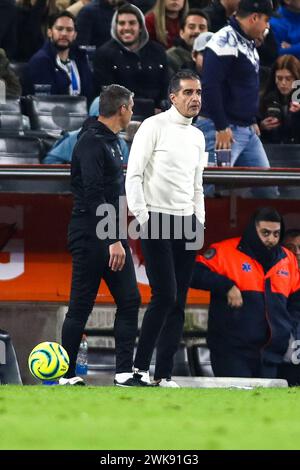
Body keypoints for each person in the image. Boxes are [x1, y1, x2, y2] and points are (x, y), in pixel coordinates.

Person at [125, 70, 206, 387]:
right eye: (188, 92)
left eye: (198, 92)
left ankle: (164, 374)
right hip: (155, 218)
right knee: (165, 296)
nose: (195, 98)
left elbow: (198, 183)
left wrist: (199, 220)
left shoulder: (198, 136)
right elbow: (133, 175)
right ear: (173, 97)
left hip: (187, 222)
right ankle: (139, 369)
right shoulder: (153, 126)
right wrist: (143, 217)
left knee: (179, 301)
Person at [59, 84, 142, 386]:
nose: (132, 113)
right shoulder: (92, 143)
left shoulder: (111, 142)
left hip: (110, 233)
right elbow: (94, 195)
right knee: (81, 305)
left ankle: (122, 372)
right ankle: (67, 375)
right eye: (131, 107)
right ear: (121, 109)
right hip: (90, 234)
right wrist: (113, 239)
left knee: (130, 300)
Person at [191, 207, 300, 379]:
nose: (271, 239)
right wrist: (226, 286)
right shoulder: (225, 252)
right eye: (265, 233)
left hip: (271, 355)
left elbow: (296, 301)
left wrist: (287, 327)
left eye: (276, 234)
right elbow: (192, 273)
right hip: (232, 352)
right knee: (235, 404)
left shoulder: (288, 259)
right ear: (252, 230)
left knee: (268, 405)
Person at [201, 0, 278, 197]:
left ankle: (264, 228)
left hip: (245, 130)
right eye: (266, 20)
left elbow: (243, 87)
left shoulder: (247, 41)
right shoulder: (223, 41)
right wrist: (220, 126)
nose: (268, 25)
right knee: (207, 191)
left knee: (268, 190)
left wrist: (252, 119)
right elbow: (210, 86)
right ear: (254, 18)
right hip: (221, 130)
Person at [93, 3, 169, 110]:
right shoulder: (104, 54)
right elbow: (107, 95)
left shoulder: (158, 51)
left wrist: (160, 108)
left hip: (157, 115)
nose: (127, 28)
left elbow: (166, 87)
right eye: (122, 23)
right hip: (119, 115)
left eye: (132, 23)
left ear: (141, 27)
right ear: (115, 27)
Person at [23, 11, 93, 102]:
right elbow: (45, 101)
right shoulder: (40, 61)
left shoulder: (81, 58)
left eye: (69, 30)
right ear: (49, 32)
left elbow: (90, 93)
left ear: (75, 35)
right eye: (59, 29)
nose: (64, 33)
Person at [260, 54, 300, 144]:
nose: (283, 83)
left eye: (288, 79)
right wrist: (261, 126)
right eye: (279, 78)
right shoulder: (266, 98)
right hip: (272, 150)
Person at [167, 9, 209, 75]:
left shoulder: (215, 56)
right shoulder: (171, 57)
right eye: (191, 27)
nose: (197, 31)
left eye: (202, 28)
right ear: (181, 33)